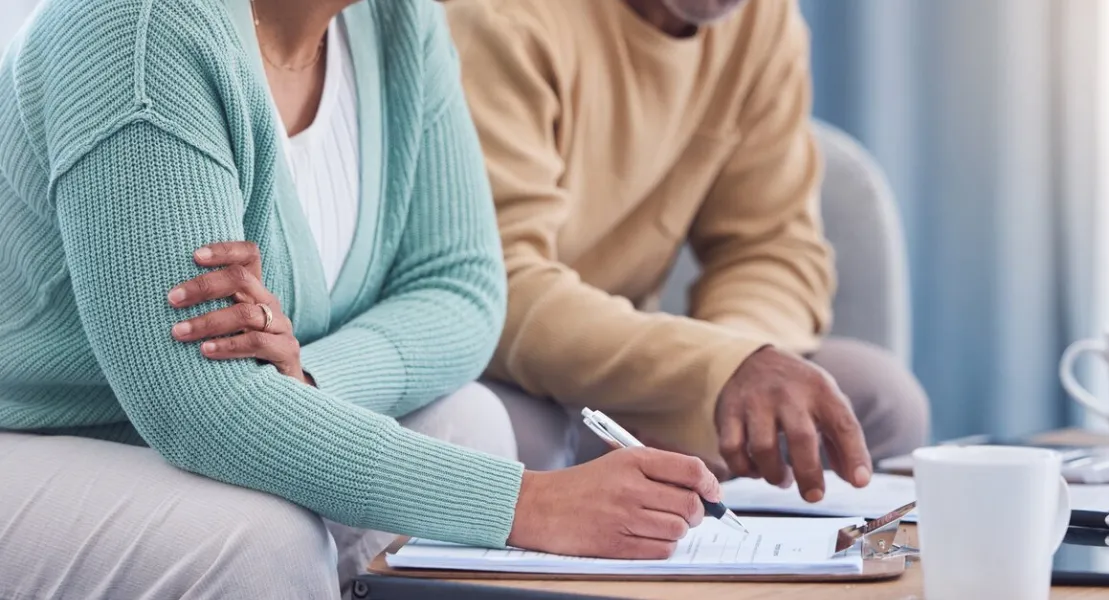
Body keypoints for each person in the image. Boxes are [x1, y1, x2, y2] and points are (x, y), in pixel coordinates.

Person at [0, 0, 724, 597]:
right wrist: (527, 505)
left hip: (169, 426)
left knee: (469, 420)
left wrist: (309, 379)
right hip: (31, 437)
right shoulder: (139, 25)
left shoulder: (399, 20)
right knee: (259, 544)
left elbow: (461, 289)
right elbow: (198, 405)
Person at [446, 0, 931, 498]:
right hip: (504, 370)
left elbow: (770, 246)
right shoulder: (502, 19)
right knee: (511, 437)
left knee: (880, 400)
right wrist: (714, 373)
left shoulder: (761, 18)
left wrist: (728, 390)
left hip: (639, 368)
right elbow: (498, 290)